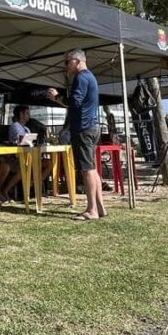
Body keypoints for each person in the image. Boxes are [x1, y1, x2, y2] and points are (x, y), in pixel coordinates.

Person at [66, 49, 105, 220]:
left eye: (67, 62)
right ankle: (100, 207)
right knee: (92, 168)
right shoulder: (91, 77)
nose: (66, 66)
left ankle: (92, 210)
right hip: (92, 126)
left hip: (83, 128)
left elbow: (75, 102)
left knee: (86, 169)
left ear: (77, 61)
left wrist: (57, 97)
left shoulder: (81, 77)